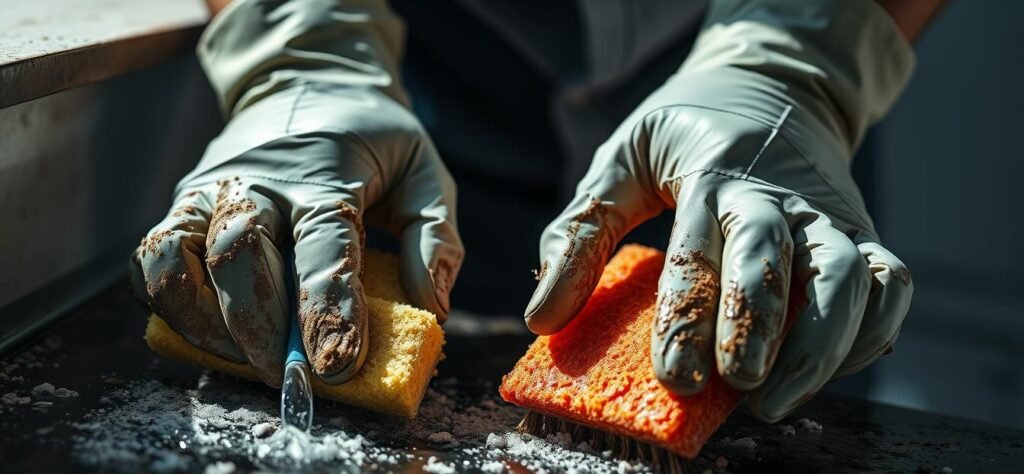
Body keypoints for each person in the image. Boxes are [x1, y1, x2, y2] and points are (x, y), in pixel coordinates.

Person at [129, 0, 945, 423]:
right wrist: (300, 48)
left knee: (762, 386)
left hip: (756, 95)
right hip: (434, 60)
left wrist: (800, 65)